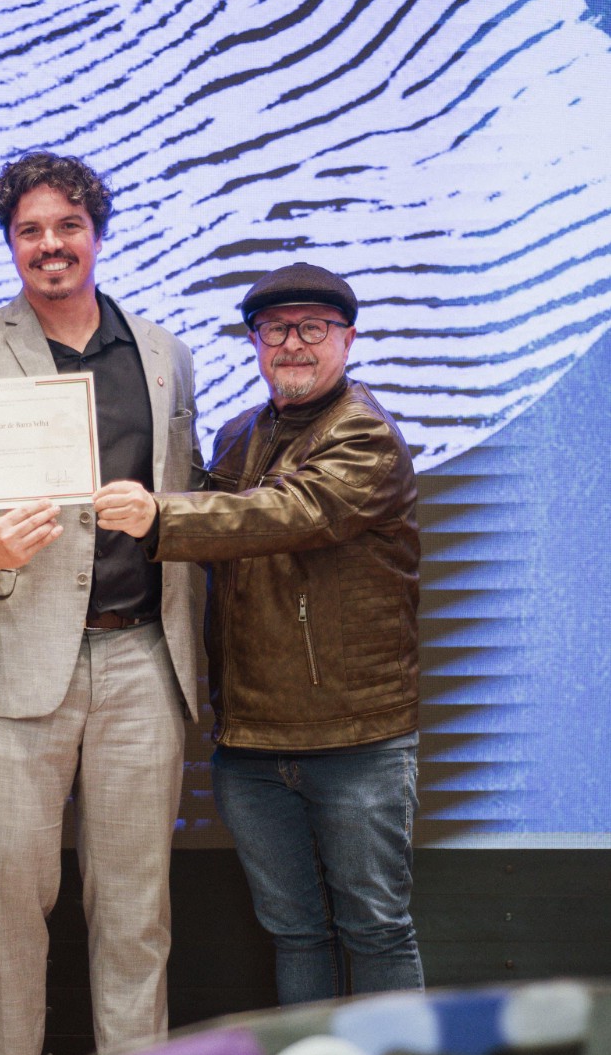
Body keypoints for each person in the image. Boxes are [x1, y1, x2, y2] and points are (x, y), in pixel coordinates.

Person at [0, 151, 201, 1055]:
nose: (50, 245)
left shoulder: (161, 353)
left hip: (140, 655)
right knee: (5, 906)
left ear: (97, 232)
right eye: (30, 230)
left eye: (67, 227)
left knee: (133, 910)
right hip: (11, 665)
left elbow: (185, 496)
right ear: (9, 242)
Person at [95, 261, 424, 1006]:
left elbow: (281, 515)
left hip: (356, 739)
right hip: (249, 741)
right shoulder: (240, 430)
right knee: (295, 932)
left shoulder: (364, 436)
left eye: (313, 328)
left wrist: (159, 516)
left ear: (347, 337)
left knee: (375, 928)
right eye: (274, 329)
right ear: (253, 341)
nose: (293, 344)